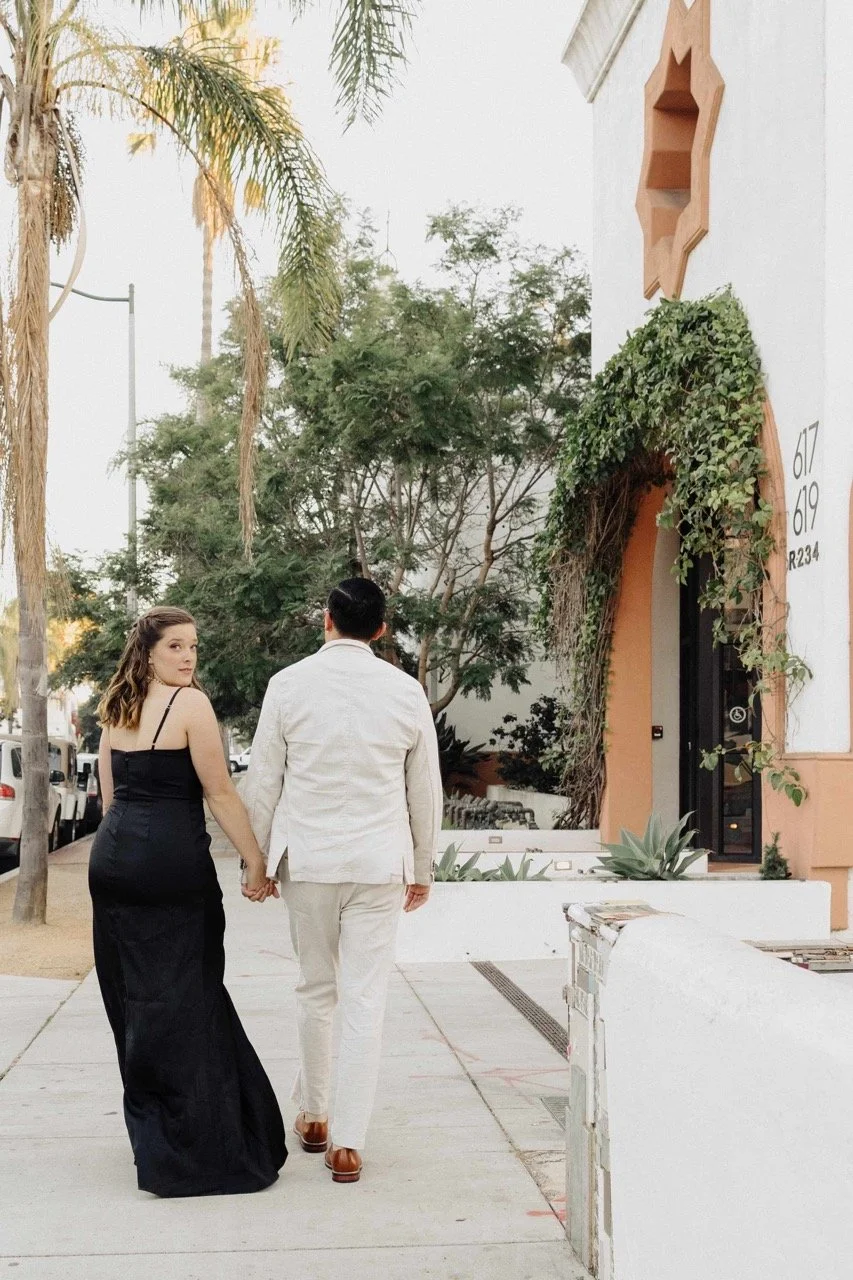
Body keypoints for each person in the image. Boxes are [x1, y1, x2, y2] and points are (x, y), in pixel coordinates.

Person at [241, 578, 442, 1184]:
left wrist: (257, 863)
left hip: (308, 861)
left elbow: (264, 781)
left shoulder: (287, 684)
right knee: (364, 999)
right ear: (381, 629)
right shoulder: (406, 691)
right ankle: (349, 1143)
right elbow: (424, 789)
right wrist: (423, 866)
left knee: (315, 989)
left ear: (326, 620)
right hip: (379, 864)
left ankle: (315, 1116)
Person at [88, 606, 286, 1198]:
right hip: (171, 863)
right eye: (176, 646)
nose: (187, 657)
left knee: (135, 996)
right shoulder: (191, 704)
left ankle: (156, 1136)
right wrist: (256, 861)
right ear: (148, 651)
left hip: (114, 860)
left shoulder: (117, 707)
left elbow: (109, 801)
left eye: (193, 646)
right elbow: (220, 793)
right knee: (190, 993)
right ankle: (199, 1147)